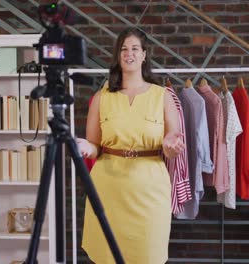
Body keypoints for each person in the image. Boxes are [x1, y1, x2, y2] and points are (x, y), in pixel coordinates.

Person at [77, 27, 185, 264]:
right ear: (118, 56)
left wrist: (170, 145)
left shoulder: (163, 95)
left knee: (148, 254)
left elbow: (172, 139)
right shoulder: (102, 97)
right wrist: (86, 146)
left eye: (135, 48)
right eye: (124, 49)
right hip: (108, 190)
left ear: (144, 55)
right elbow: (95, 145)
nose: (129, 54)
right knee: (108, 256)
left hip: (150, 191)